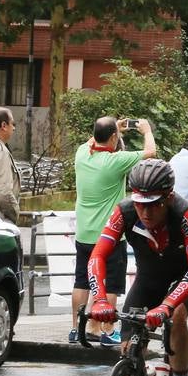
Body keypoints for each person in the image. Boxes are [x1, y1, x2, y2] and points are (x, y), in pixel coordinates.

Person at [86, 162, 188, 376]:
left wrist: (167, 305)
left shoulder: (187, 215)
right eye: (140, 203)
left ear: (169, 197)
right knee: (128, 349)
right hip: (149, 280)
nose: (145, 211)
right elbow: (97, 256)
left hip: (184, 279)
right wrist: (98, 300)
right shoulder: (125, 212)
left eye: (154, 204)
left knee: (176, 319)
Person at [71, 116, 157, 344]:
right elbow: (151, 152)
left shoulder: (81, 154)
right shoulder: (115, 161)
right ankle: (105, 329)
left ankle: (74, 329)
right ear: (112, 138)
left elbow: (93, 141)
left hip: (83, 233)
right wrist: (147, 130)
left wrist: (112, 130)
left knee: (81, 281)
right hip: (108, 236)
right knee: (110, 282)